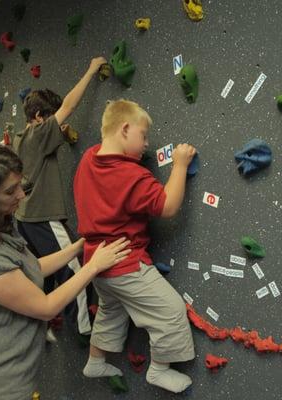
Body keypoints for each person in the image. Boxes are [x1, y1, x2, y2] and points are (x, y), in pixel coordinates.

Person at [0, 142, 131, 400]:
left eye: (19, 185)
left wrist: (77, 248)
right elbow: (46, 306)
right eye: (10, 191)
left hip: (9, 372)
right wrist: (93, 266)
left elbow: (31, 269)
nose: (21, 196)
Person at [73, 99, 197, 393]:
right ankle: (159, 369)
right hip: (126, 263)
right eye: (143, 136)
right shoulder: (132, 174)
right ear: (125, 129)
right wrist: (179, 165)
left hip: (96, 265)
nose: (146, 145)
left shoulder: (88, 159)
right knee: (170, 312)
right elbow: (167, 206)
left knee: (110, 311)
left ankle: (96, 359)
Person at [13, 56, 107, 342]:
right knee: (73, 268)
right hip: (44, 216)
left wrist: (63, 136)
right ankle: (84, 331)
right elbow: (69, 105)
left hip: (24, 219)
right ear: (40, 117)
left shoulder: (20, 137)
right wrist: (91, 69)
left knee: (40, 273)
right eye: (52, 117)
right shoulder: (41, 131)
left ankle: (38, 325)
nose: (60, 121)